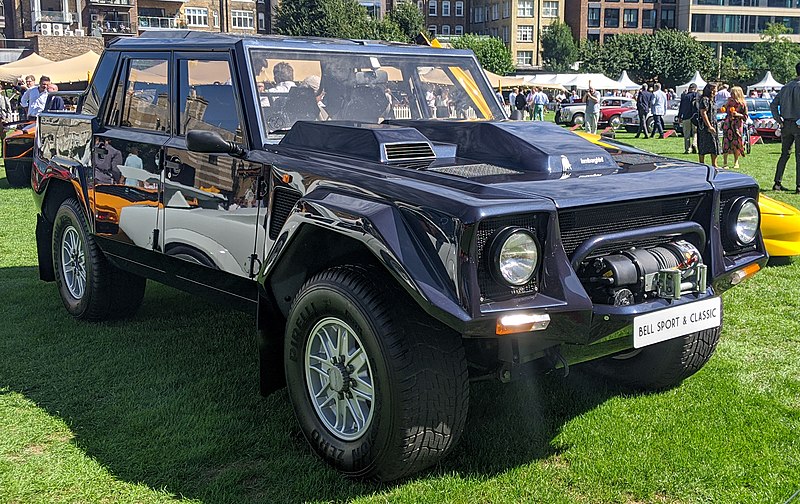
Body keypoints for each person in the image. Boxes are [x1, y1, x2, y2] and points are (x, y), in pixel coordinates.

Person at [770, 61, 800, 192]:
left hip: (785, 124)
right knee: (799, 156)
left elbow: (773, 104)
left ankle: (777, 183)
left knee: (784, 155)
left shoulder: (785, 87)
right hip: (798, 124)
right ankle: (799, 186)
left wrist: (778, 119)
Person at [721, 85, 748, 170]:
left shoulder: (742, 104)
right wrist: (725, 105)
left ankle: (736, 162)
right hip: (728, 123)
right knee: (726, 143)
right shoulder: (729, 101)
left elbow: (745, 117)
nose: (731, 95)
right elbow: (723, 109)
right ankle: (725, 163)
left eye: (733, 93)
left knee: (736, 143)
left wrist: (738, 114)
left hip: (737, 124)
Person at [697, 82, 720, 168]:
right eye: (715, 88)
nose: (716, 90)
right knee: (703, 144)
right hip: (705, 126)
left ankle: (714, 164)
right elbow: (703, 113)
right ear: (711, 89)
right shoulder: (705, 99)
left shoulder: (712, 99)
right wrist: (709, 126)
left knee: (714, 144)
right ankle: (701, 164)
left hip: (713, 124)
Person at [677, 83, 698, 154]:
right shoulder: (696, 95)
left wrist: (679, 116)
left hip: (686, 117)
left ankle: (688, 149)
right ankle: (694, 144)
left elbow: (681, 107)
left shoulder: (684, 96)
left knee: (686, 134)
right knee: (695, 132)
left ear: (689, 88)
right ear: (695, 89)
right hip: (695, 117)